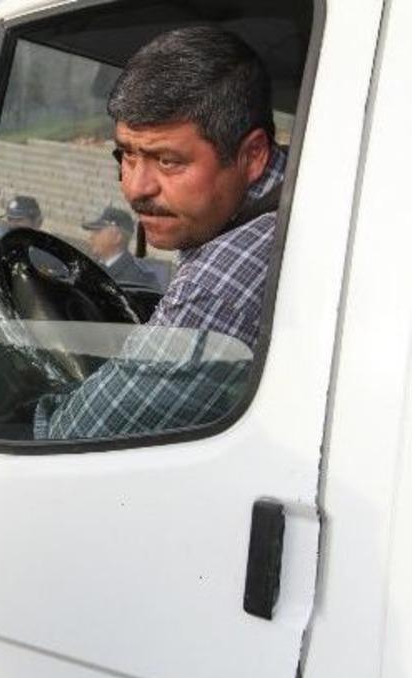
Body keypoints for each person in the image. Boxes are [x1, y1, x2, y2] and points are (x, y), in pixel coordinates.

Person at [35, 25, 287, 440]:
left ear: (252, 155)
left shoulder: (217, 289)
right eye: (127, 155)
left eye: (168, 161)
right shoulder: (289, 193)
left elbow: (70, 437)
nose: (135, 187)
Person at [82, 205, 161, 291]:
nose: (91, 237)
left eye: (98, 232)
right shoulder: (89, 267)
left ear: (117, 237)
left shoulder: (140, 278)